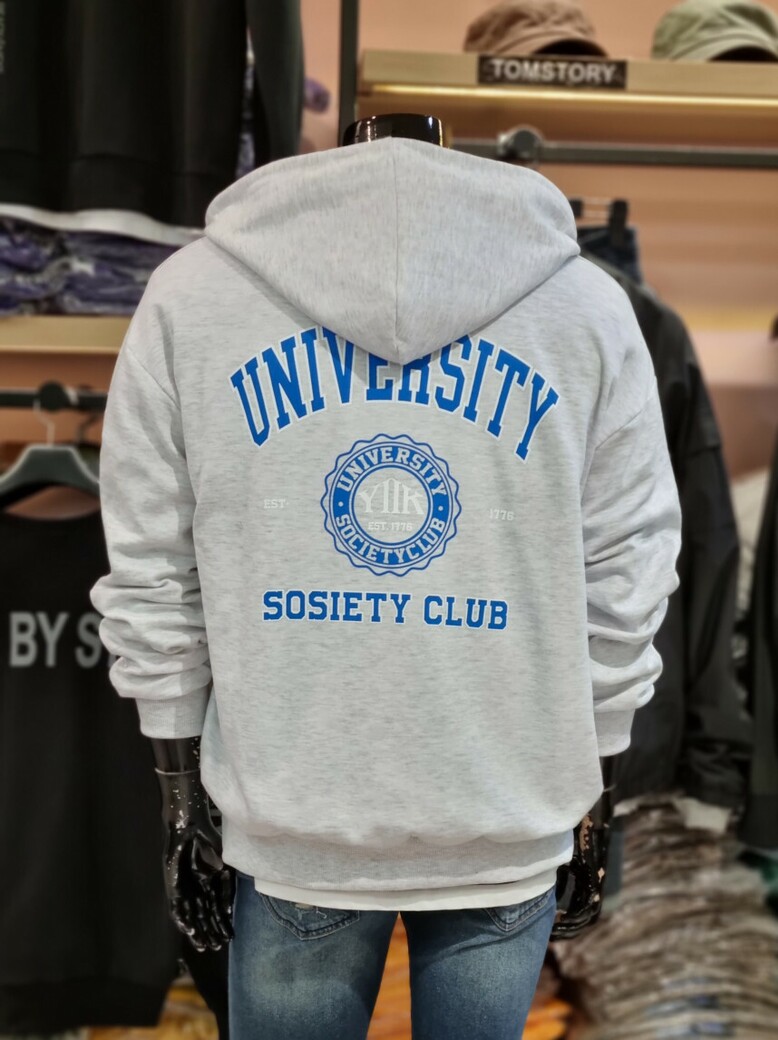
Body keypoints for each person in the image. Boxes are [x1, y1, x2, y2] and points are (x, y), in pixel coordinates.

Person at [90, 115, 681, 1039]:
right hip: (507, 809)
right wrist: (598, 779)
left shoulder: (192, 297)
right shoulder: (588, 310)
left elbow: (151, 557)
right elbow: (628, 568)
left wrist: (176, 782)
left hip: (297, 816)